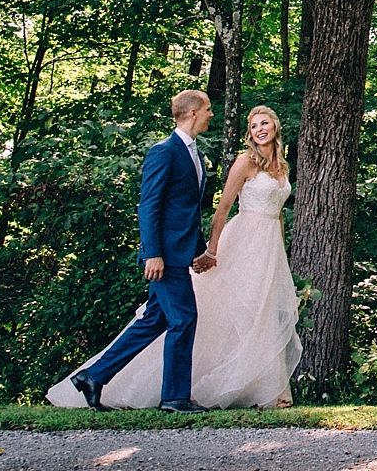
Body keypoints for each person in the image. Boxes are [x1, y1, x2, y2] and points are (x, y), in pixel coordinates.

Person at [48, 100, 302, 411]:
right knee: (184, 318)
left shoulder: (194, 152)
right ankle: (174, 397)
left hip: (185, 252)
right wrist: (152, 254)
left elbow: (187, 212)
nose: (212, 113)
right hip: (164, 257)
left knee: (154, 320)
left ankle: (93, 377)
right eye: (208, 109)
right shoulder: (164, 150)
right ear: (194, 112)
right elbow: (149, 206)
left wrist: (200, 251)